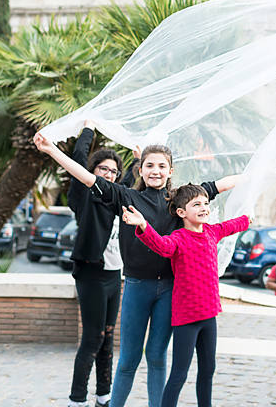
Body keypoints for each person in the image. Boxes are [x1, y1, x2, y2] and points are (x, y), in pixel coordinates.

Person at [33, 132, 241, 407]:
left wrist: (266, 169)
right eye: (150, 165)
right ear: (140, 169)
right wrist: (52, 151)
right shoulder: (125, 196)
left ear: (170, 171)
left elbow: (222, 185)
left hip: (169, 290)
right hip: (135, 287)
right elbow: (87, 178)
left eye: (161, 166)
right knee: (129, 359)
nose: (156, 171)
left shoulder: (180, 199)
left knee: (156, 356)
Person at [120, 184, 249, 407]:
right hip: (186, 319)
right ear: (181, 212)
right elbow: (161, 246)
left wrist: (248, 218)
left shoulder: (211, 232)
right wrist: (142, 224)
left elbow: (231, 225)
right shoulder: (178, 238)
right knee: (180, 373)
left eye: (206, 204)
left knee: (208, 370)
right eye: (196, 204)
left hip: (209, 316)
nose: (203, 208)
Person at [37, 121, 123, 407]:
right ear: (93, 171)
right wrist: (88, 130)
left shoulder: (116, 199)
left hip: (114, 275)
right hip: (91, 274)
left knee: (108, 336)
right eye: (103, 169)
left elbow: (137, 176)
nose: (108, 174)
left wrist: (137, 158)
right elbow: (78, 159)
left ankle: (104, 396)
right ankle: (77, 400)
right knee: (93, 337)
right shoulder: (85, 195)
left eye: (113, 171)